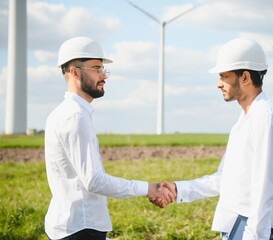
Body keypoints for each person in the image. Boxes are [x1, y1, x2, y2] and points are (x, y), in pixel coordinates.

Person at [158, 38, 273, 239]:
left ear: (245, 77)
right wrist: (180, 189)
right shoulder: (245, 120)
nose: (218, 84)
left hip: (255, 233)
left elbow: (264, 187)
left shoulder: (266, 116)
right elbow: (224, 179)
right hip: (235, 229)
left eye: (224, 76)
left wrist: (253, 236)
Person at [44, 36, 175, 240]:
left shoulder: (65, 113)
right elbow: (94, 180)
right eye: (96, 68)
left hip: (76, 225)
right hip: (81, 228)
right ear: (74, 72)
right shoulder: (76, 116)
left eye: (103, 69)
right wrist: (147, 188)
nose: (104, 75)